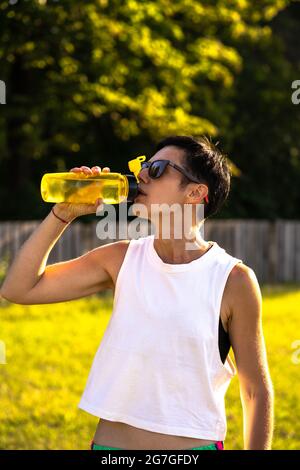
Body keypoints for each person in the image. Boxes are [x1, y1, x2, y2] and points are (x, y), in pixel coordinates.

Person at [1, 135, 274, 450]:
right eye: (142, 166)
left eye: (157, 169)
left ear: (196, 193)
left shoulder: (233, 280)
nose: (141, 175)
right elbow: (19, 288)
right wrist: (63, 214)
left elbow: (255, 391)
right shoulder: (121, 259)